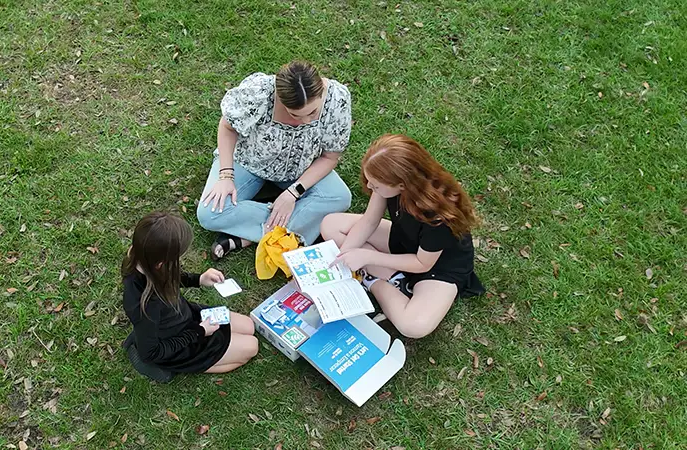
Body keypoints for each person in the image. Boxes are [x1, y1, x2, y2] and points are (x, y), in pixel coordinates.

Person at [321, 134, 485, 339]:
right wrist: (344, 255)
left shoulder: (438, 214)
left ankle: (375, 280)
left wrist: (367, 257)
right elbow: (369, 221)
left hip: (437, 267)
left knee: (413, 326)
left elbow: (422, 263)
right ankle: (389, 275)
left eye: (376, 185)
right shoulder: (390, 183)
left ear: (402, 184)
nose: (370, 187)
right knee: (331, 224)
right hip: (403, 240)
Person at [197, 60, 352, 260]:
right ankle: (288, 230)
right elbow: (228, 127)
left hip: (301, 169)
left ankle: (248, 237)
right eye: (295, 114)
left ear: (322, 90)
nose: (305, 121)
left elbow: (330, 157)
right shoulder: (259, 93)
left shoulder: (336, 99)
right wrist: (226, 175)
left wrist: (293, 193)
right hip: (249, 162)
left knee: (340, 197)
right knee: (210, 213)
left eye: (312, 113)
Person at [121, 211, 259, 382]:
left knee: (249, 326)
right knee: (251, 347)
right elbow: (150, 352)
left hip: (186, 316)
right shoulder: (147, 306)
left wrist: (199, 279)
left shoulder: (139, 257)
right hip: (181, 343)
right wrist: (200, 331)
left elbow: (168, 276)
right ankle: (172, 367)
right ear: (160, 264)